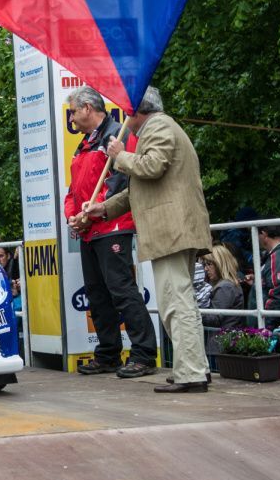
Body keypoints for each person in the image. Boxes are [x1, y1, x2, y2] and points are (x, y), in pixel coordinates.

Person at [80, 87, 212, 393]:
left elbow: (151, 167)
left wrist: (119, 156)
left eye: (127, 110)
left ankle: (190, 373)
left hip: (173, 230)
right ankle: (193, 367)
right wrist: (103, 208)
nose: (125, 117)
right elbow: (140, 187)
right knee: (177, 302)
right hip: (173, 230)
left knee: (176, 303)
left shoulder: (160, 126)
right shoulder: (159, 128)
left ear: (137, 110)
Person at [63, 87, 159, 378]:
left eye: (74, 111)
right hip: (89, 230)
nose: (72, 117)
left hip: (112, 226)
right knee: (97, 294)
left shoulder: (117, 135)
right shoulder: (83, 144)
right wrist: (73, 217)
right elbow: (73, 190)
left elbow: (120, 182)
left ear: (88, 108)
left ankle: (143, 354)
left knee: (122, 290)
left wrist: (90, 213)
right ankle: (108, 354)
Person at [202, 244, 247, 360]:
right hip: (222, 345)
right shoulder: (227, 284)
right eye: (204, 264)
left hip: (220, 347)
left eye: (209, 264)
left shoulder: (225, 287)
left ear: (220, 263)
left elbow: (214, 318)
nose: (205, 268)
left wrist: (194, 312)